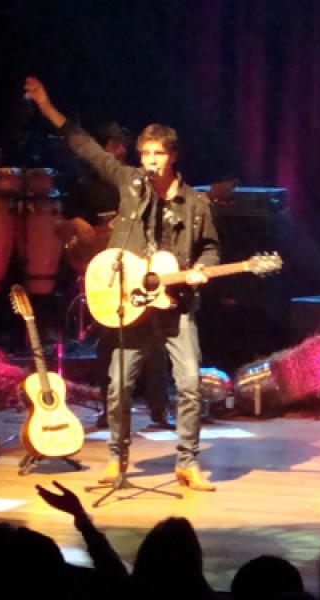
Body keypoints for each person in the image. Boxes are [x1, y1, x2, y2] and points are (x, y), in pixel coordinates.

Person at [25, 76, 219, 491]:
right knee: (118, 388)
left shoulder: (195, 203)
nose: (150, 161)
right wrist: (46, 106)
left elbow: (210, 249)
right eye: (145, 153)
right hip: (130, 303)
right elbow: (86, 148)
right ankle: (118, 459)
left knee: (189, 384)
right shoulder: (131, 184)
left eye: (158, 154)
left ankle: (187, 463)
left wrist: (202, 268)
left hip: (176, 304)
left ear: (173, 156)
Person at [61, 122, 174, 430]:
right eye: (113, 144)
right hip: (107, 277)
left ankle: (160, 410)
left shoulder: (137, 182)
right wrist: (76, 224)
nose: (120, 150)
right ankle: (109, 410)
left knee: (154, 341)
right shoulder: (84, 187)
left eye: (123, 144)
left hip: (141, 274)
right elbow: (62, 225)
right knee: (108, 344)